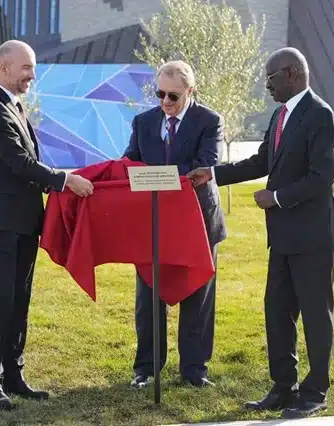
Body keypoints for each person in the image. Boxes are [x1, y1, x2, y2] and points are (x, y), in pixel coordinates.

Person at [187, 47, 334, 418]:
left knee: (315, 315)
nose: (267, 85)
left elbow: (323, 177)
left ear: (291, 74)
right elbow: (263, 161)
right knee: (277, 311)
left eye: (270, 78)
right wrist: (212, 174)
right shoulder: (280, 115)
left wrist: (276, 197)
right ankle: (283, 387)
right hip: (285, 237)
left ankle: (315, 391)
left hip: (314, 237)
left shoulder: (319, 114)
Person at [0, 39, 94, 410]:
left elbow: (30, 165)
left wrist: (61, 183)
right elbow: (19, 163)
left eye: (33, 68)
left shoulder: (16, 107)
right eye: (25, 68)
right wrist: (64, 180)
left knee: (20, 300)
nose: (31, 75)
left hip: (24, 222)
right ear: (4, 67)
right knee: (2, 299)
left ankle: (13, 375)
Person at [123, 60, 227, 388]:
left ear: (190, 92)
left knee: (197, 295)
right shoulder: (143, 122)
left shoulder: (210, 121)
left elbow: (204, 165)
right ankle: (146, 369)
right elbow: (131, 161)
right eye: (160, 94)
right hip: (154, 223)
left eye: (173, 96)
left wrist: (157, 177)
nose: (166, 102)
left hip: (197, 221)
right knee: (149, 298)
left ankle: (195, 371)